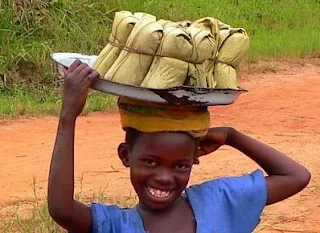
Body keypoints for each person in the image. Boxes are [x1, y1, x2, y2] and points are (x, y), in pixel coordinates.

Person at [48, 60, 311, 233]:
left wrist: (232, 136)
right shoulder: (117, 225)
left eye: (181, 165)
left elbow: (297, 177)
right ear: (126, 155)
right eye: (150, 161)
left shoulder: (218, 201)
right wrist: (68, 117)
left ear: (195, 160)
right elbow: (62, 209)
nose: (164, 177)